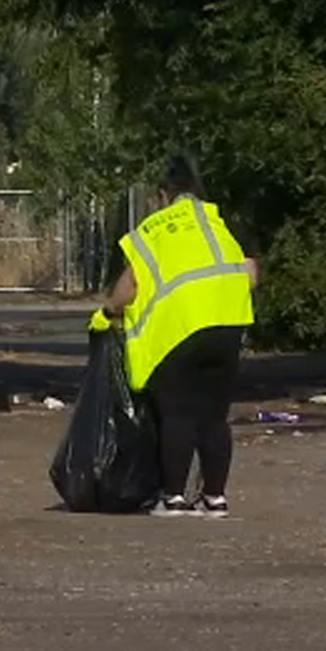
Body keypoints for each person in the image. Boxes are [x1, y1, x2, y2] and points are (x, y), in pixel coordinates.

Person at [94, 155, 257, 519]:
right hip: (229, 326)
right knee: (214, 416)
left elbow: (130, 286)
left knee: (177, 414)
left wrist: (108, 312)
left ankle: (173, 498)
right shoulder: (217, 223)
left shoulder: (153, 230)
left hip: (181, 330)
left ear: (164, 195)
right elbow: (251, 273)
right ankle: (215, 498)